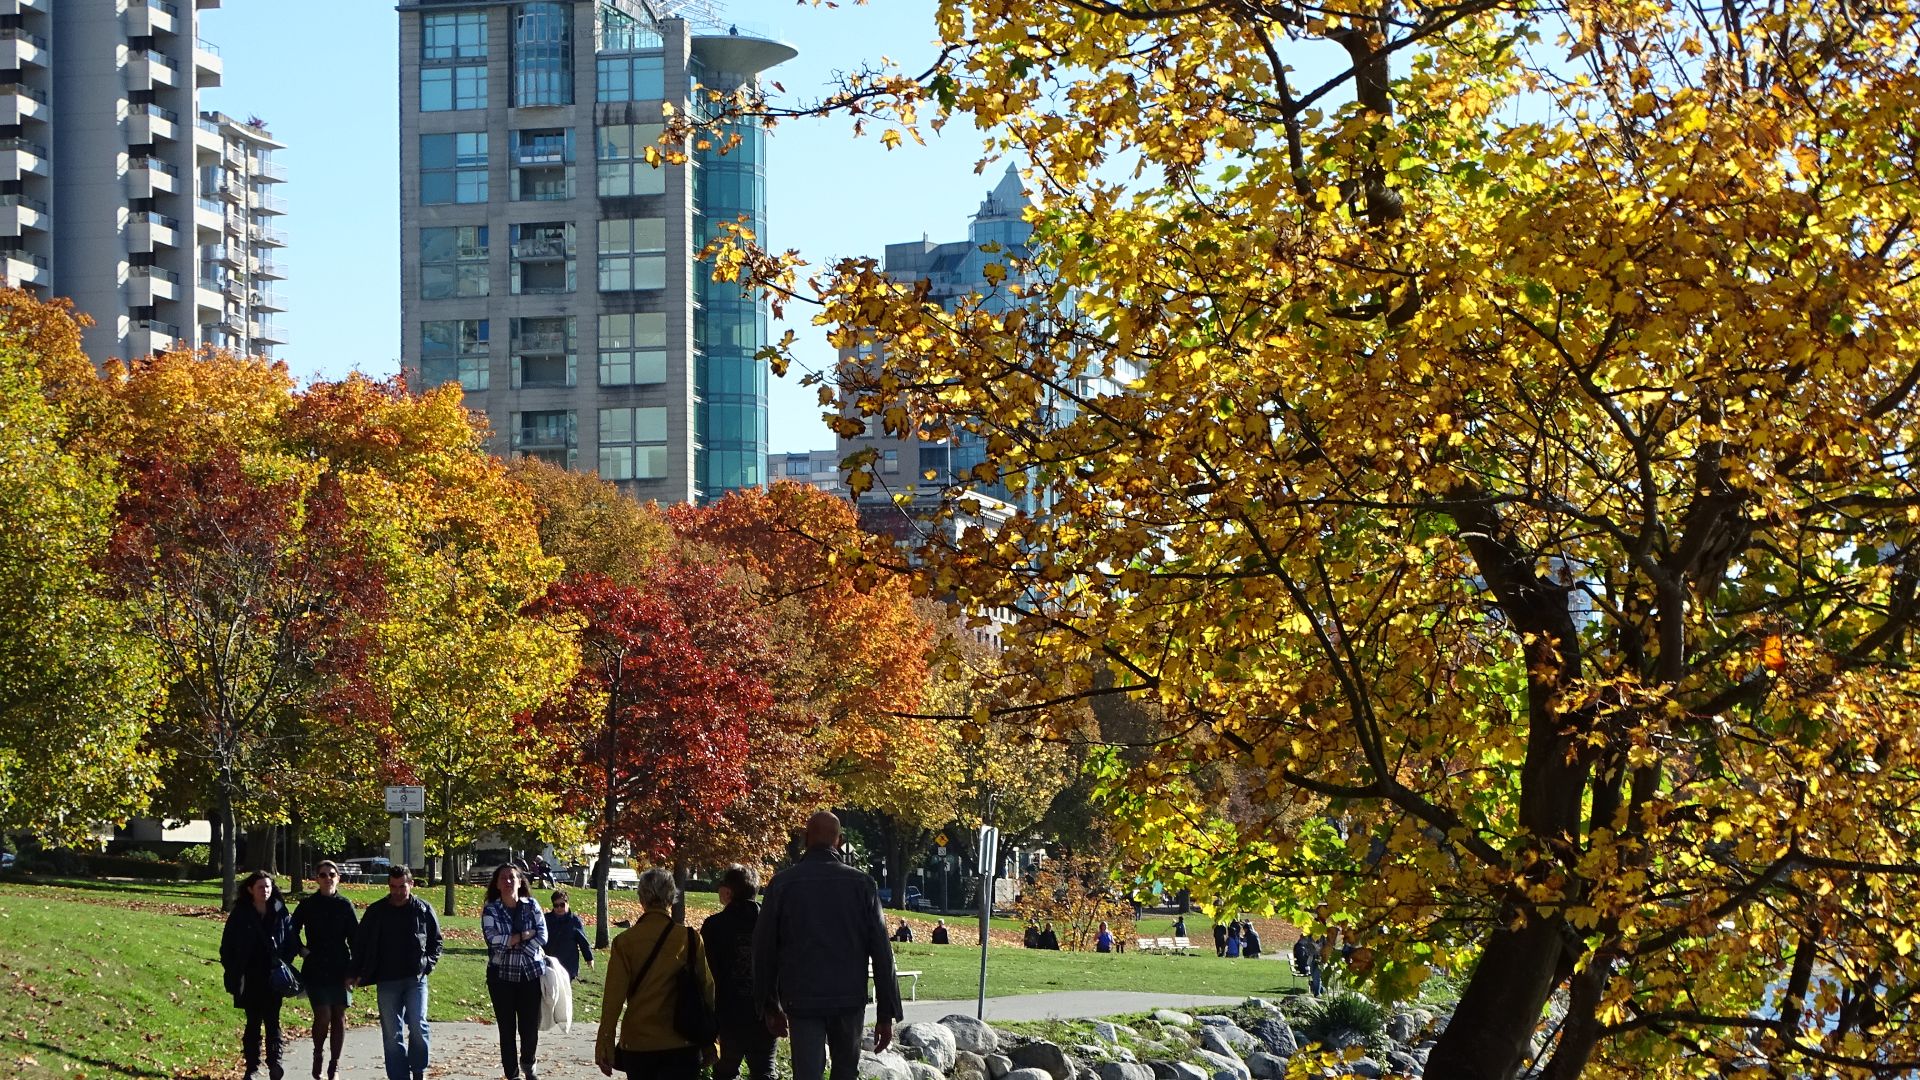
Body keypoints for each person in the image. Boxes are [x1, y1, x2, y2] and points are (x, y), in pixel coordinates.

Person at [753, 811, 901, 1080]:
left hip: (801, 997)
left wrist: (769, 1003)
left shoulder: (782, 885)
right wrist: (885, 1012)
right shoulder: (862, 885)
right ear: (840, 841)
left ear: (805, 838)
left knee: (807, 1073)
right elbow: (882, 952)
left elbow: (764, 949)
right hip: (848, 997)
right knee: (845, 1072)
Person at [597, 868, 717, 1080]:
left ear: (642, 898)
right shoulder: (689, 938)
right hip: (683, 1041)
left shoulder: (625, 942)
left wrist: (605, 1043)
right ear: (671, 898)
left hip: (639, 1043)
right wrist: (710, 1042)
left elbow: (613, 999)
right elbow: (707, 990)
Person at [352, 865, 443, 1080]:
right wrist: (355, 971)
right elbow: (360, 943)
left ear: (411, 884)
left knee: (418, 1026)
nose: (398, 891)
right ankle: (398, 1076)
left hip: (415, 979)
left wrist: (428, 963)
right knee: (392, 1034)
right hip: (387, 979)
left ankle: (418, 1069)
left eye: (402, 886)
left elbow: (436, 941)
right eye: (393, 887)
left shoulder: (423, 909)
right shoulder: (376, 911)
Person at [221, 870, 298, 1080]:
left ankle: (275, 1064)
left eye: (268, 886)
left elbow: (291, 940)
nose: (265, 890)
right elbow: (227, 946)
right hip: (250, 976)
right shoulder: (241, 914)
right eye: (260, 887)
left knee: (273, 1021)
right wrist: (234, 970)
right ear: (250, 890)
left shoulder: (280, 911)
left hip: (273, 976)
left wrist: (284, 962)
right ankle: (252, 1068)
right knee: (253, 1022)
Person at [701, 865, 773, 1080]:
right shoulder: (769, 923)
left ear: (727, 892)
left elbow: (707, 973)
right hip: (764, 1011)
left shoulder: (714, 926)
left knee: (725, 1071)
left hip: (728, 1013)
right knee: (764, 1071)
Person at [291, 861, 358, 1080]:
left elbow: (355, 939)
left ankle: (334, 1065)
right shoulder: (308, 904)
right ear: (316, 879)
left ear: (338, 878)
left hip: (340, 966)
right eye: (323, 875)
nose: (328, 878)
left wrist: (356, 969)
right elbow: (291, 929)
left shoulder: (345, 905)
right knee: (323, 1015)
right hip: (316, 967)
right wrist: (301, 949)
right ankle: (318, 1054)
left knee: (339, 1016)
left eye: (332, 874)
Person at [483, 864, 549, 1080]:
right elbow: (493, 940)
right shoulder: (491, 909)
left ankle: (528, 1063)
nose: (508, 881)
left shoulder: (532, 905)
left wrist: (516, 944)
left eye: (512, 877)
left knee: (529, 1028)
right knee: (507, 1029)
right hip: (501, 977)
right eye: (503, 878)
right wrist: (522, 937)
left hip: (530, 975)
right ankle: (512, 1075)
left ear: (520, 882)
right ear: (497, 883)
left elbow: (542, 936)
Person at [547, 890, 595, 981]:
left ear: (567, 904)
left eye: (562, 905)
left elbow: (583, 941)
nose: (559, 908)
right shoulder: (547, 919)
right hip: (550, 962)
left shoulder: (574, 921)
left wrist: (589, 958)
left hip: (568, 963)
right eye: (556, 906)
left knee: (565, 991)